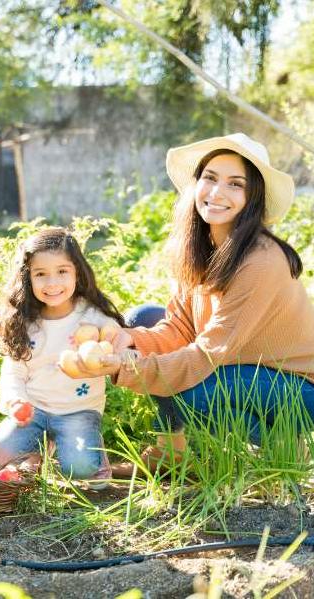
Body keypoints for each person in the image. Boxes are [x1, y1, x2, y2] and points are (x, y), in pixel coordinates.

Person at [71, 132, 314, 476]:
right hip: (243, 364)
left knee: (190, 392)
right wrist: (130, 342)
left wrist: (125, 367)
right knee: (142, 319)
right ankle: (173, 453)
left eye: (235, 184)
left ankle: (282, 442)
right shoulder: (203, 247)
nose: (216, 192)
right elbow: (180, 327)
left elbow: (207, 353)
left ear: (253, 198)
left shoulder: (260, 261)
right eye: (210, 178)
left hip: (297, 386)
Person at [0, 227, 125, 485]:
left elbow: (117, 344)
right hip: (34, 410)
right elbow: (13, 371)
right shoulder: (25, 322)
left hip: (78, 411)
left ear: (77, 272)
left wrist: (112, 350)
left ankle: (88, 454)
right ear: (28, 278)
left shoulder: (91, 317)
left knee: (81, 467)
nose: (52, 284)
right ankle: (39, 453)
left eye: (62, 272)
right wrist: (15, 402)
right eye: (41, 274)